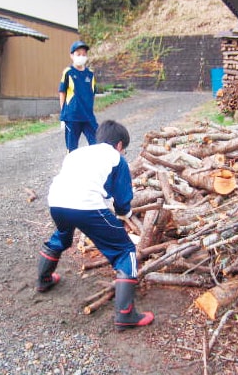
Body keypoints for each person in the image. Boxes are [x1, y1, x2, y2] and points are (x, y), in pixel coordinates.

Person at [37, 120, 154, 331]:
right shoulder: (116, 158)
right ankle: (125, 315)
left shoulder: (77, 154)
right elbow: (122, 199)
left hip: (56, 201)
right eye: (123, 149)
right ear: (119, 145)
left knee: (63, 236)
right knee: (125, 251)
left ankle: (44, 279)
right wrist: (124, 214)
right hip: (87, 206)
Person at [58, 40, 98, 152]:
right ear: (72, 56)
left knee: (97, 143)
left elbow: (92, 93)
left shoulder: (90, 74)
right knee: (72, 148)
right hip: (72, 116)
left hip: (88, 117)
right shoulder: (68, 72)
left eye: (84, 54)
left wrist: (89, 109)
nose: (81, 56)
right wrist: (63, 114)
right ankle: (71, 168)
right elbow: (62, 92)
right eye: (78, 54)